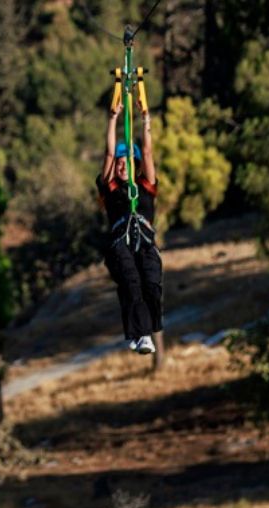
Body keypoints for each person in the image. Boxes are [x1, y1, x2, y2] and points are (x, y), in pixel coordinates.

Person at [98, 101, 162, 355]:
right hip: (119, 243)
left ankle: (142, 331)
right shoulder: (109, 187)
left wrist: (146, 119)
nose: (124, 167)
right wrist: (113, 118)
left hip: (145, 242)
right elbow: (110, 155)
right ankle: (142, 335)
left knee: (152, 286)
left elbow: (147, 153)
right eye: (121, 164)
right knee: (132, 284)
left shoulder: (146, 185)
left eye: (128, 163)